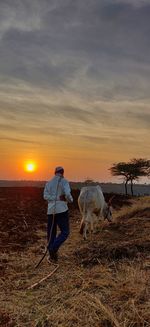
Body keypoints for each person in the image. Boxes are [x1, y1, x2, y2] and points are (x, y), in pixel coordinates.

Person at [43, 166, 73, 262]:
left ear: (54, 173)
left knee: (51, 233)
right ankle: (53, 249)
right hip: (61, 210)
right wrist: (70, 200)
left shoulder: (48, 183)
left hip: (51, 211)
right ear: (63, 173)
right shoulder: (64, 181)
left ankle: (52, 256)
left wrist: (54, 198)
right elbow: (68, 195)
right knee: (65, 232)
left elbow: (45, 196)